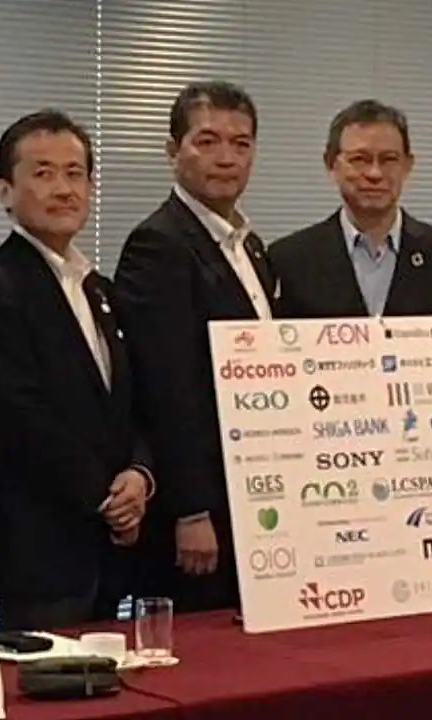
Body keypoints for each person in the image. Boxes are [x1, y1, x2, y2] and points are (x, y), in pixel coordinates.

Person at [0, 110, 153, 630]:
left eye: (75, 173)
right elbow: (18, 416)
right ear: (4, 190)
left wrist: (140, 474)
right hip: (36, 546)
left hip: (110, 547)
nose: (64, 189)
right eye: (43, 173)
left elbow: (132, 401)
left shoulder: (99, 289)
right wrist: (105, 498)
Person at [114, 81, 275, 612]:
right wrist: (191, 509)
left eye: (241, 143)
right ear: (173, 150)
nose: (226, 158)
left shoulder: (249, 246)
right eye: (207, 141)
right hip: (197, 513)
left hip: (254, 496)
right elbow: (165, 388)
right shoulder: (158, 244)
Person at [271, 100, 432, 317]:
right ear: (331, 164)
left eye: (389, 160)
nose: (375, 174)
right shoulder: (289, 260)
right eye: (360, 159)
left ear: (407, 166)